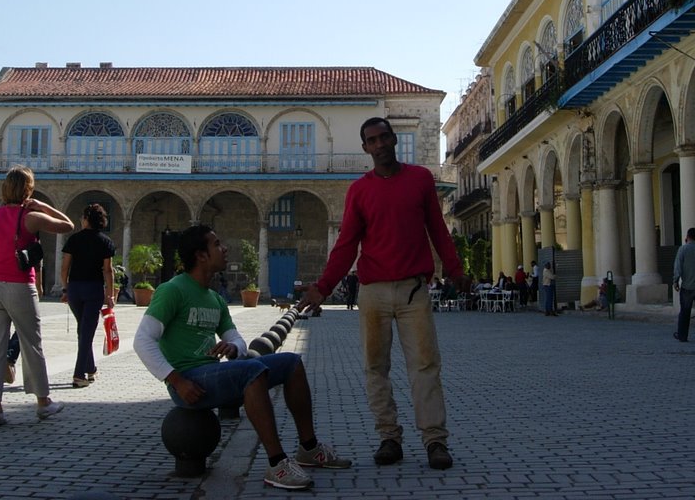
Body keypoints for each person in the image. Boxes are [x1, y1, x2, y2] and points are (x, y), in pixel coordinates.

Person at [298, 117, 462, 471]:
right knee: (376, 368)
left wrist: (457, 270)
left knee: (425, 366)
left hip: (413, 290)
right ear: (365, 148)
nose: (380, 144)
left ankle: (435, 441)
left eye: (385, 137)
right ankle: (389, 437)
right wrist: (323, 287)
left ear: (394, 140)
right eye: (372, 140)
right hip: (372, 292)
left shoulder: (420, 180)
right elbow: (346, 245)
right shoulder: (359, 190)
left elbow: (438, 229)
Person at [134, 225, 351, 491]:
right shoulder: (173, 290)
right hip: (189, 382)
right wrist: (176, 380)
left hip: (213, 375)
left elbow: (236, 338)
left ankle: (308, 447)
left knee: (291, 362)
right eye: (217, 244)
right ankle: (277, 463)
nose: (224, 249)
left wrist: (233, 348)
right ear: (201, 255)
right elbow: (143, 340)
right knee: (252, 371)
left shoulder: (214, 298)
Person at [0, 165, 74, 426]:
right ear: (28, 190)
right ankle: (43, 402)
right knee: (31, 344)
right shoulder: (31, 217)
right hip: (19, 288)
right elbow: (67, 225)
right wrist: (42, 206)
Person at [60, 203, 116, 388]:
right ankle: (79, 374)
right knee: (86, 332)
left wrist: (65, 288)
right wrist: (110, 294)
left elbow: (65, 267)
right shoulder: (105, 241)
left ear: (86, 219)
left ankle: (90, 368)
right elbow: (108, 270)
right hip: (93, 289)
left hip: (75, 289)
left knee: (83, 330)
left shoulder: (73, 240)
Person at [673, 227, 695, 343]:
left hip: (687, 286)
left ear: (687, 237)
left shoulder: (683, 249)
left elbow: (678, 267)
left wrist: (676, 281)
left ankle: (682, 335)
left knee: (685, 312)